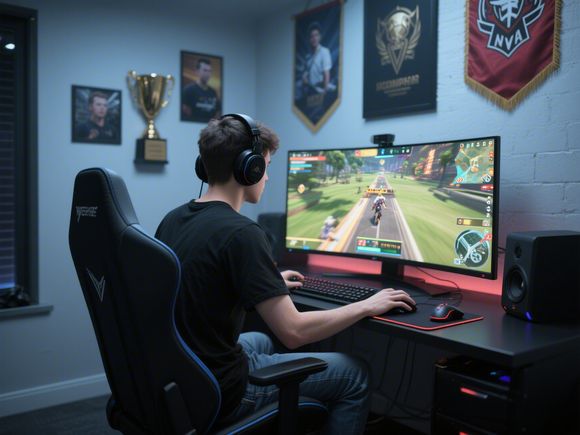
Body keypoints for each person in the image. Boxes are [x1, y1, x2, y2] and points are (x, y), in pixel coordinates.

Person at [155, 115, 416, 434]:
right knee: (355, 373)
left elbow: (199, 282)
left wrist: (267, 284)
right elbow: (294, 332)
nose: (266, 177)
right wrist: (367, 305)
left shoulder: (173, 218)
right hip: (222, 390)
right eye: (265, 166)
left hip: (182, 376)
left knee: (262, 340)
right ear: (249, 168)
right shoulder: (243, 233)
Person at [302, 22, 334, 96]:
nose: (314, 39)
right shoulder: (308, 57)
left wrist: (325, 92)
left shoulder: (324, 52)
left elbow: (326, 73)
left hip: (321, 89)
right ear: (309, 39)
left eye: (316, 35)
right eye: (311, 36)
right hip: (311, 90)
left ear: (320, 37)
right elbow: (306, 75)